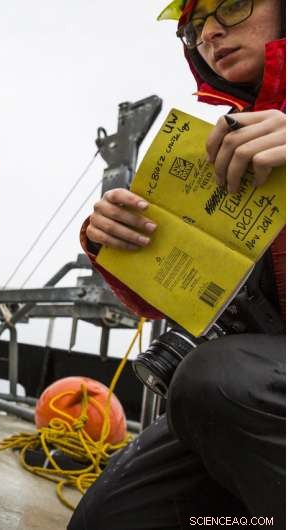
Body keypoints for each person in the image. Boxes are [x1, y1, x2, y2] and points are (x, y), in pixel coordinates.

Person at [70, 0, 285, 528]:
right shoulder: (228, 141)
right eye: (195, 26)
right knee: (111, 517)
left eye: (231, 6)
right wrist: (113, 244)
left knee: (217, 378)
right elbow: (178, 296)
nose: (210, 32)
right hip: (255, 390)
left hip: (243, 385)